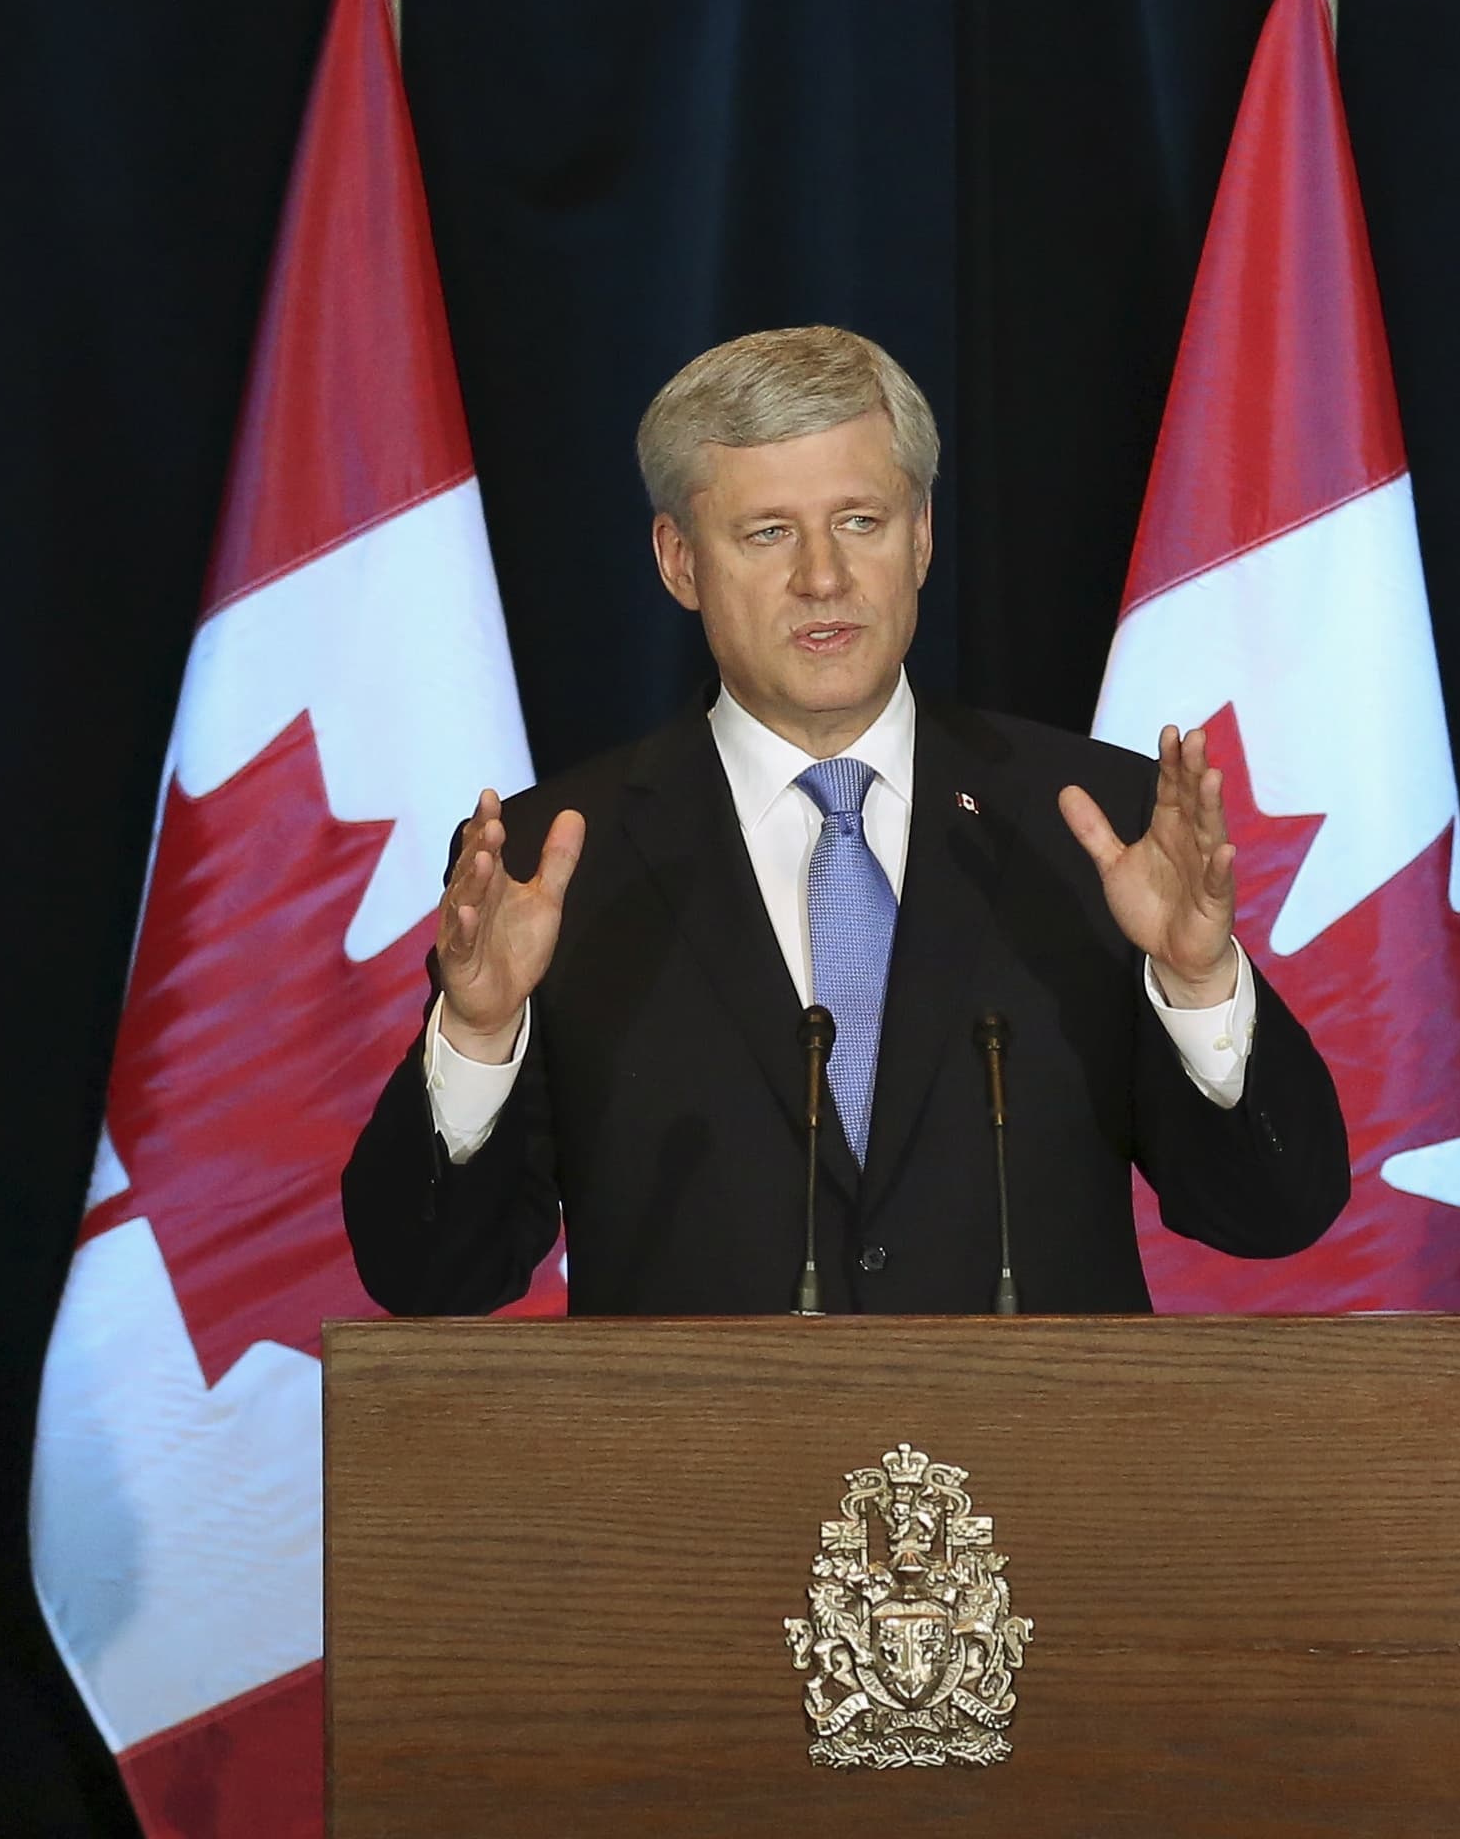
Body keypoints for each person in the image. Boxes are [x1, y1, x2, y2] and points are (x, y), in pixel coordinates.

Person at [339, 326, 1349, 1315]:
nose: (822, 577)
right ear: (679, 561)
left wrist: (1198, 983)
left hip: (1034, 1469)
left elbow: (1272, 1215)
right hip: (698, 1475)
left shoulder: (1091, 827)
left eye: (860, 521)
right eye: (768, 531)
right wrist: (477, 1034)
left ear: (920, 538)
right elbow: (429, 1280)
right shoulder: (551, 860)